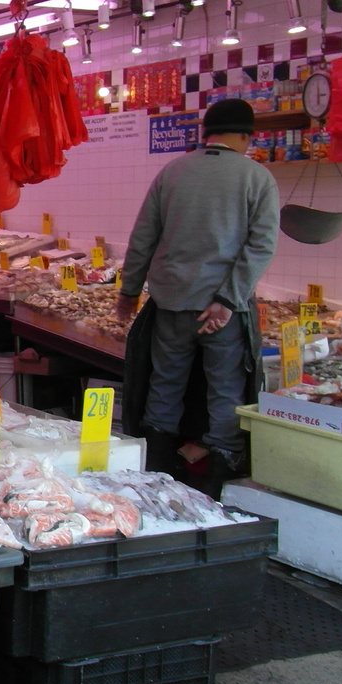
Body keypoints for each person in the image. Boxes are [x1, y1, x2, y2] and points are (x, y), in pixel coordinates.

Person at [117, 99, 278, 492]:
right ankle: (219, 485)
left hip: (170, 304)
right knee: (226, 392)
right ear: (245, 136)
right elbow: (261, 246)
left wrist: (130, 291)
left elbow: (143, 238)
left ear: (205, 134)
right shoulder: (257, 178)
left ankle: (156, 475)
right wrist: (227, 300)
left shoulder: (172, 172)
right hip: (222, 312)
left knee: (165, 385)